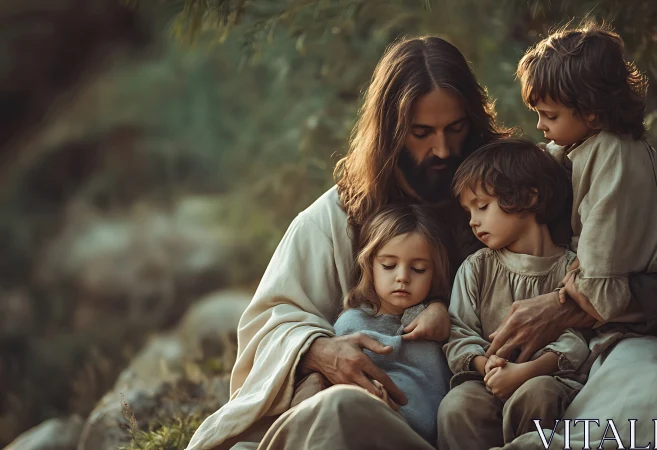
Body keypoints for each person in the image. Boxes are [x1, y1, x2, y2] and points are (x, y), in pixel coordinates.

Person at [186, 35, 514, 450]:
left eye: (456, 128)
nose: (444, 149)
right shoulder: (335, 217)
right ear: (392, 132)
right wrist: (320, 350)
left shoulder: (509, 191)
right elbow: (267, 323)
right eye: (421, 132)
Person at [473, 22, 657, 448]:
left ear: (591, 112)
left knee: (647, 403)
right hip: (582, 338)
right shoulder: (579, 146)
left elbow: (600, 287)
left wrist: (563, 293)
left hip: (624, 333)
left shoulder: (616, 158)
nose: (539, 126)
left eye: (549, 116)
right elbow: (541, 165)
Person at [439, 138, 590, 450]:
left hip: (547, 379)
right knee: (457, 406)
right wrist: (486, 366)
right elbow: (459, 332)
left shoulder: (571, 270)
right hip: (486, 382)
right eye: (468, 211)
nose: (473, 220)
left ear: (528, 196)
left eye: (482, 206)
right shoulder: (476, 268)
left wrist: (527, 372)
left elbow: (578, 336)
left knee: (538, 394)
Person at [330, 204, 452, 445]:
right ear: (369, 265)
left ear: (435, 273)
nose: (403, 277)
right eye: (388, 265)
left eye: (418, 269)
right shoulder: (352, 323)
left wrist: (440, 310)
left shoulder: (441, 322)